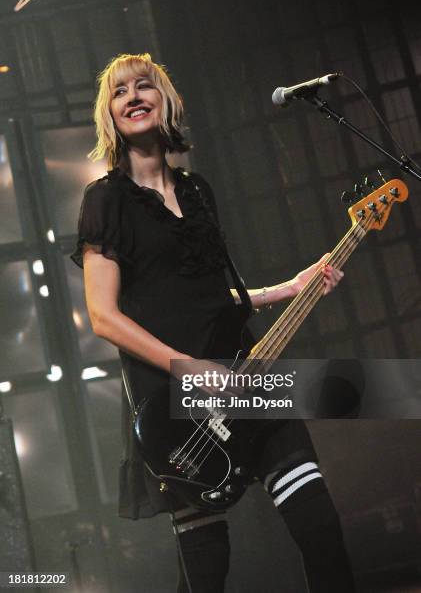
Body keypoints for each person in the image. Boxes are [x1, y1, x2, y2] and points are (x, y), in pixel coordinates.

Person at [70, 53, 354, 592]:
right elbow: (104, 316)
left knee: (319, 525)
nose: (132, 95)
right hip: (173, 398)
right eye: (118, 90)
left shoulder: (198, 191)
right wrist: (192, 370)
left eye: (144, 85)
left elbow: (205, 296)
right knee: (207, 569)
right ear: (109, 113)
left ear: (165, 98)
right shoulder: (104, 200)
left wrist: (287, 289)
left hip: (245, 375)